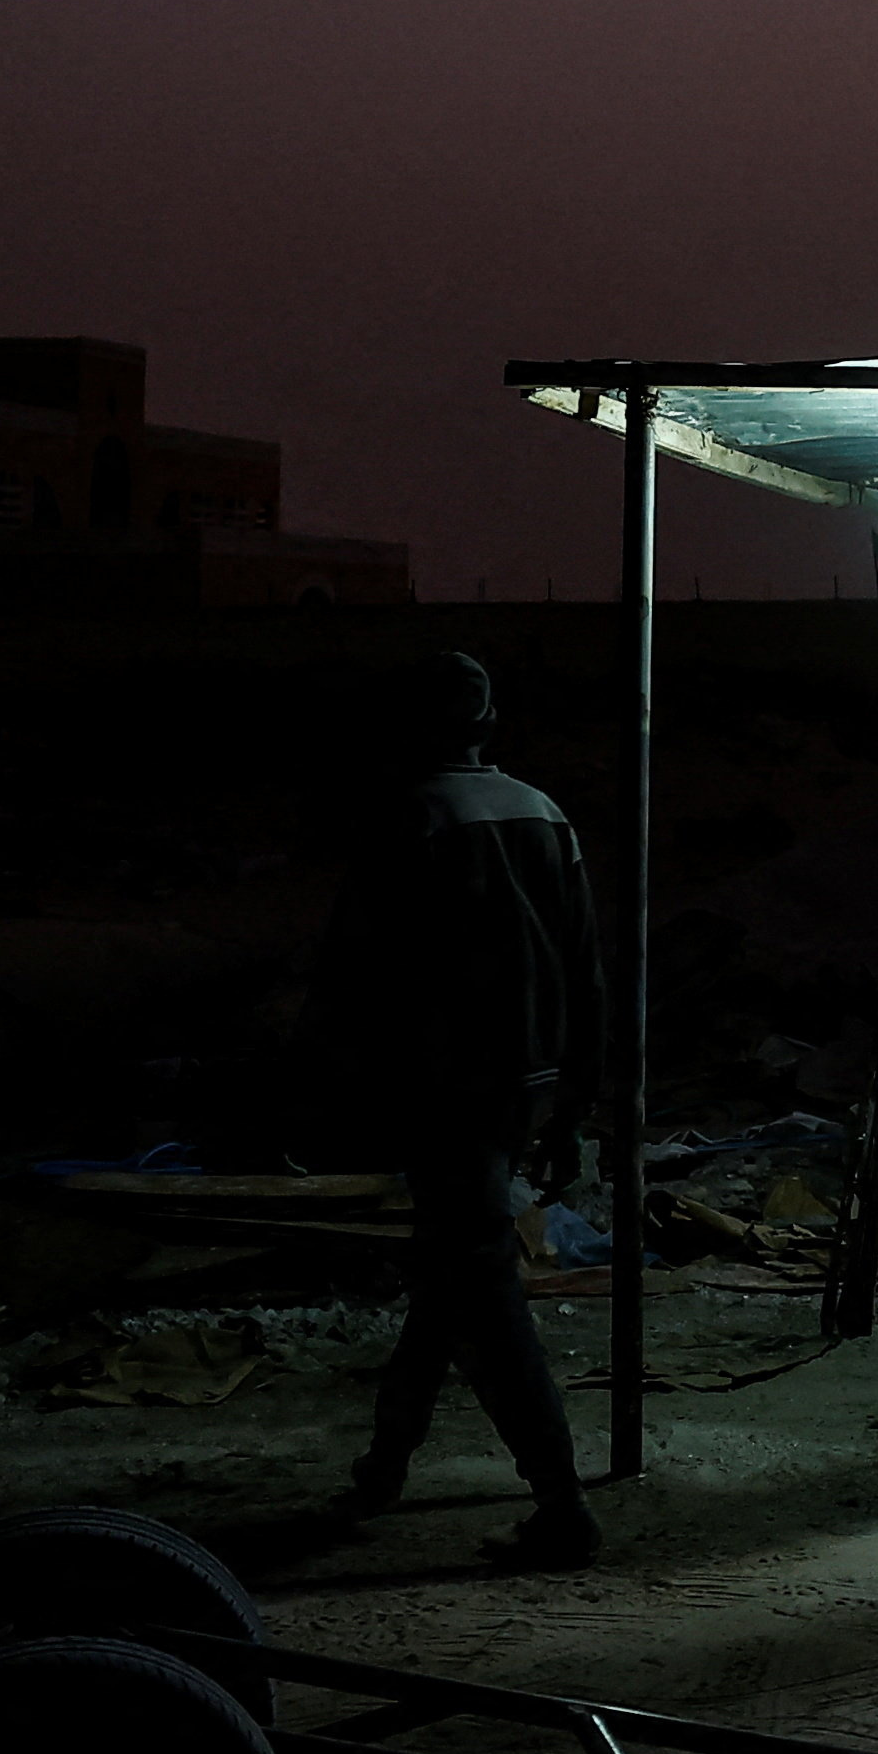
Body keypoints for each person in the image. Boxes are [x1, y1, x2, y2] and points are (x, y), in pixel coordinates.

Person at [315, 651, 603, 1565]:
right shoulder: (542, 811)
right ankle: (383, 1470)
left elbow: (362, 978)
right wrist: (573, 1107)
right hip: (528, 1088)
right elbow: (587, 969)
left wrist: (335, 1094)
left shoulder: (408, 818)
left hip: (448, 1094)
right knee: (449, 1281)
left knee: (477, 1288)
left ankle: (560, 1505)